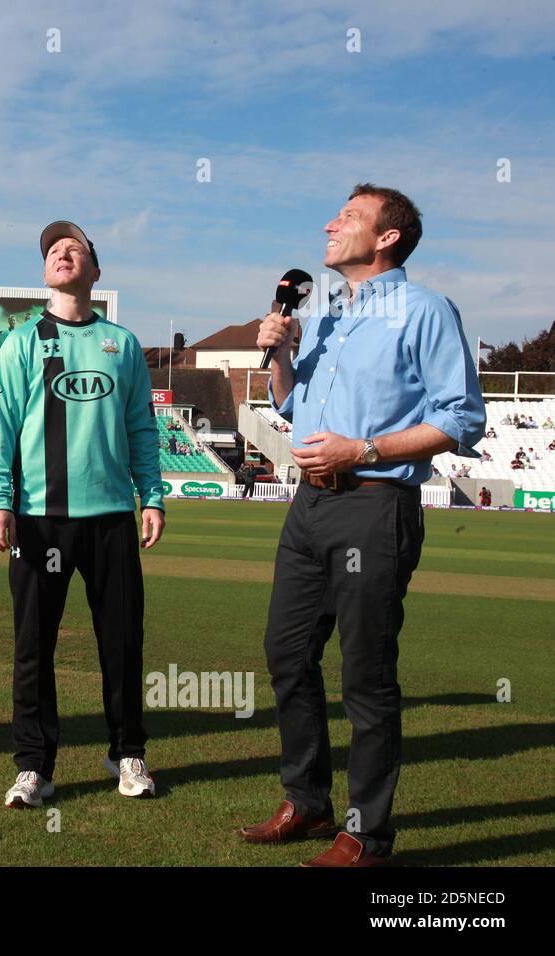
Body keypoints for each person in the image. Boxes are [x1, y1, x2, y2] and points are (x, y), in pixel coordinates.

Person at [244, 184, 484, 866]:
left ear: (386, 238)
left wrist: (366, 449)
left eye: (348, 217)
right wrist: (282, 352)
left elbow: (462, 419)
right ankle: (309, 803)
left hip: (376, 504)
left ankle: (367, 834)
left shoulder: (426, 310)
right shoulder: (321, 315)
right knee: (286, 655)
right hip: (310, 505)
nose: (329, 224)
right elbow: (294, 407)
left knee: (367, 677)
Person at [0, 220, 165, 810]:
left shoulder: (123, 343)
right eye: (53, 250)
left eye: (75, 248)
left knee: (122, 642)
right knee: (34, 647)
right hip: (39, 519)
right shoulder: (20, 342)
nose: (63, 253)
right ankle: (35, 767)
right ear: (44, 273)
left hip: (111, 518)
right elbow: (1, 427)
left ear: (95, 270)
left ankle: (127, 752)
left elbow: (142, 427)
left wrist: (152, 496)